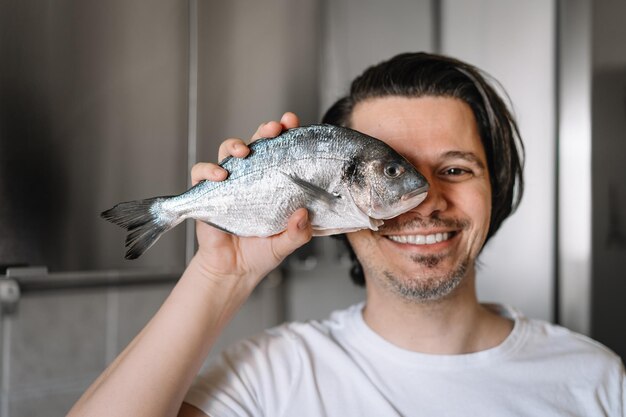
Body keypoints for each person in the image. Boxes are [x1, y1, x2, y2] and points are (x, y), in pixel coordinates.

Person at [69, 52, 625, 417]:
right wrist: (221, 275)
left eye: (455, 169)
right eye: (396, 169)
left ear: (495, 188)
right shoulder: (273, 377)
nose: (427, 201)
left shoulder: (595, 381)